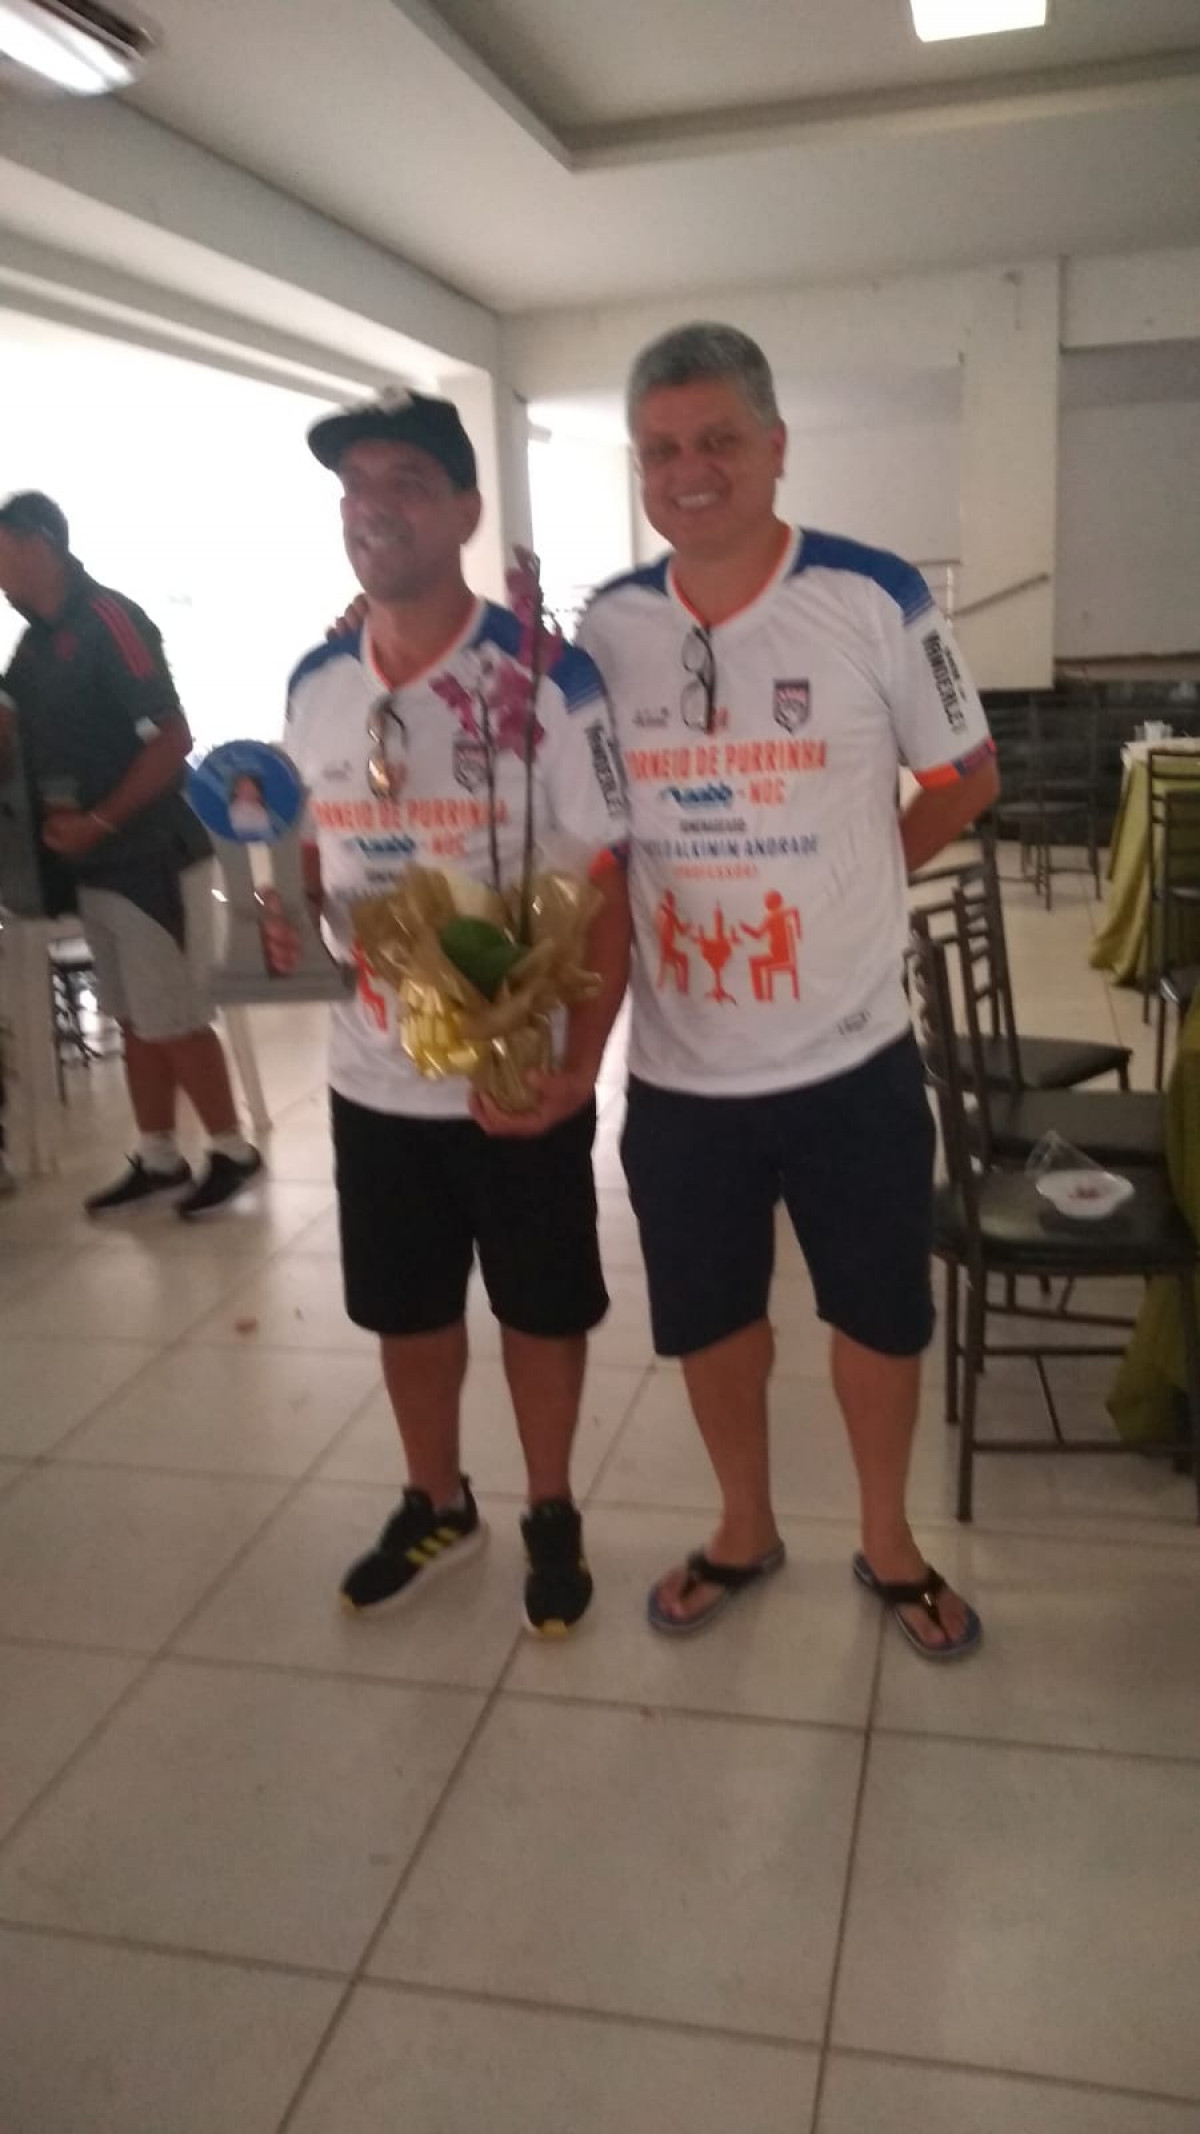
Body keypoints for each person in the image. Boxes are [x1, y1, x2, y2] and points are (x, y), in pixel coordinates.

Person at [573, 323, 999, 1657]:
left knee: (878, 1313)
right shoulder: (608, 625)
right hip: (681, 1069)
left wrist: (861, 874)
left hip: (849, 1055)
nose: (689, 469)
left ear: (773, 447)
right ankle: (744, 1525)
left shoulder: (874, 593)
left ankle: (889, 1539)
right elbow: (592, 825)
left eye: (716, 440)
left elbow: (967, 774)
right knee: (713, 1318)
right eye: (660, 449)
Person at [288, 389, 631, 1635]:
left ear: (467, 511)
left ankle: (550, 1506)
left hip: (514, 1074)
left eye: (407, 485)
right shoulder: (317, 681)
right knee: (406, 1306)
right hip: (370, 1070)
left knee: (541, 1305)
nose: (372, 508)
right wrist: (285, 918)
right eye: (355, 487)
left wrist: (579, 1068)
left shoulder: (547, 676)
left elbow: (606, 881)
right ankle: (437, 1499)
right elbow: (312, 860)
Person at [0, 492, 261, 1218]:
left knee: (174, 1015)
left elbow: (173, 739)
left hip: (150, 858)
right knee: (135, 1018)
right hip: (90, 867)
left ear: (37, 543)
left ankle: (233, 1151)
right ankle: (158, 1156)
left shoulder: (110, 619)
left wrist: (99, 822)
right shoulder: (33, 647)